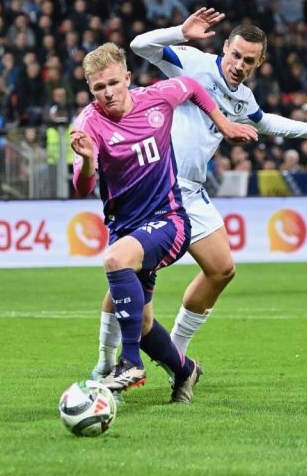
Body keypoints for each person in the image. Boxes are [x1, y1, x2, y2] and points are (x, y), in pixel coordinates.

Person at [88, 9, 307, 384]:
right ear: (225, 47)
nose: (239, 64)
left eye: (249, 60)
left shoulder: (243, 97)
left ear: (258, 62)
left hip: (192, 193)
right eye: (235, 55)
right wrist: (181, 31)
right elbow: (139, 45)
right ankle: (107, 360)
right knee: (126, 272)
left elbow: (264, 122)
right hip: (155, 188)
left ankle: (175, 355)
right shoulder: (194, 63)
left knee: (222, 270)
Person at [71, 42, 257, 402]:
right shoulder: (88, 124)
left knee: (115, 261)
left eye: (113, 83)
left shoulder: (157, 96)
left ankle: (127, 363)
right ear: (91, 90)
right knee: (138, 322)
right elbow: (83, 188)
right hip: (127, 228)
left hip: (169, 219)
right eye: (98, 88)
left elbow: (192, 87)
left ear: (127, 78)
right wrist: (90, 160)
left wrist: (225, 124)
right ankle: (185, 371)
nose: (107, 93)